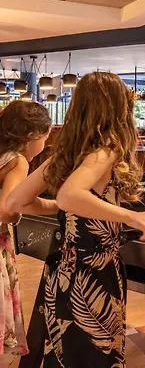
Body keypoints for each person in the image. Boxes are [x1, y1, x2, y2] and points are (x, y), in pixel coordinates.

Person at [7, 72, 145, 368]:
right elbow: (70, 195)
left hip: (64, 273)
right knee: (95, 357)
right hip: (95, 274)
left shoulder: (66, 155)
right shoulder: (106, 150)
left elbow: (17, 202)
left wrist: (67, 207)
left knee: (67, 357)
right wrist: (132, 216)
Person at [0, 100, 55, 363]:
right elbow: (8, 209)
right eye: (45, 137)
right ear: (32, 136)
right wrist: (54, 206)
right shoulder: (17, 161)